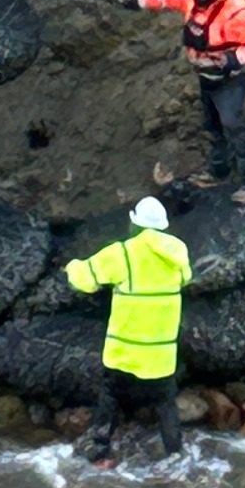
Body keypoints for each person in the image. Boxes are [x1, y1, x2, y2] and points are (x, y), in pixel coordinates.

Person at [125, 0, 245, 199]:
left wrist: (232, 59)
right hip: (206, 77)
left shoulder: (236, 12)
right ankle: (219, 171)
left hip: (229, 82)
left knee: (233, 125)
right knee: (212, 124)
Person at [67, 191, 192, 464]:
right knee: (166, 403)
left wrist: (70, 266)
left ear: (135, 224)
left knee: (110, 397)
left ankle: (99, 449)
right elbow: (186, 279)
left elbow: (85, 279)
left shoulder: (124, 252)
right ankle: (176, 456)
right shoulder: (178, 253)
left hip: (125, 353)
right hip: (161, 357)